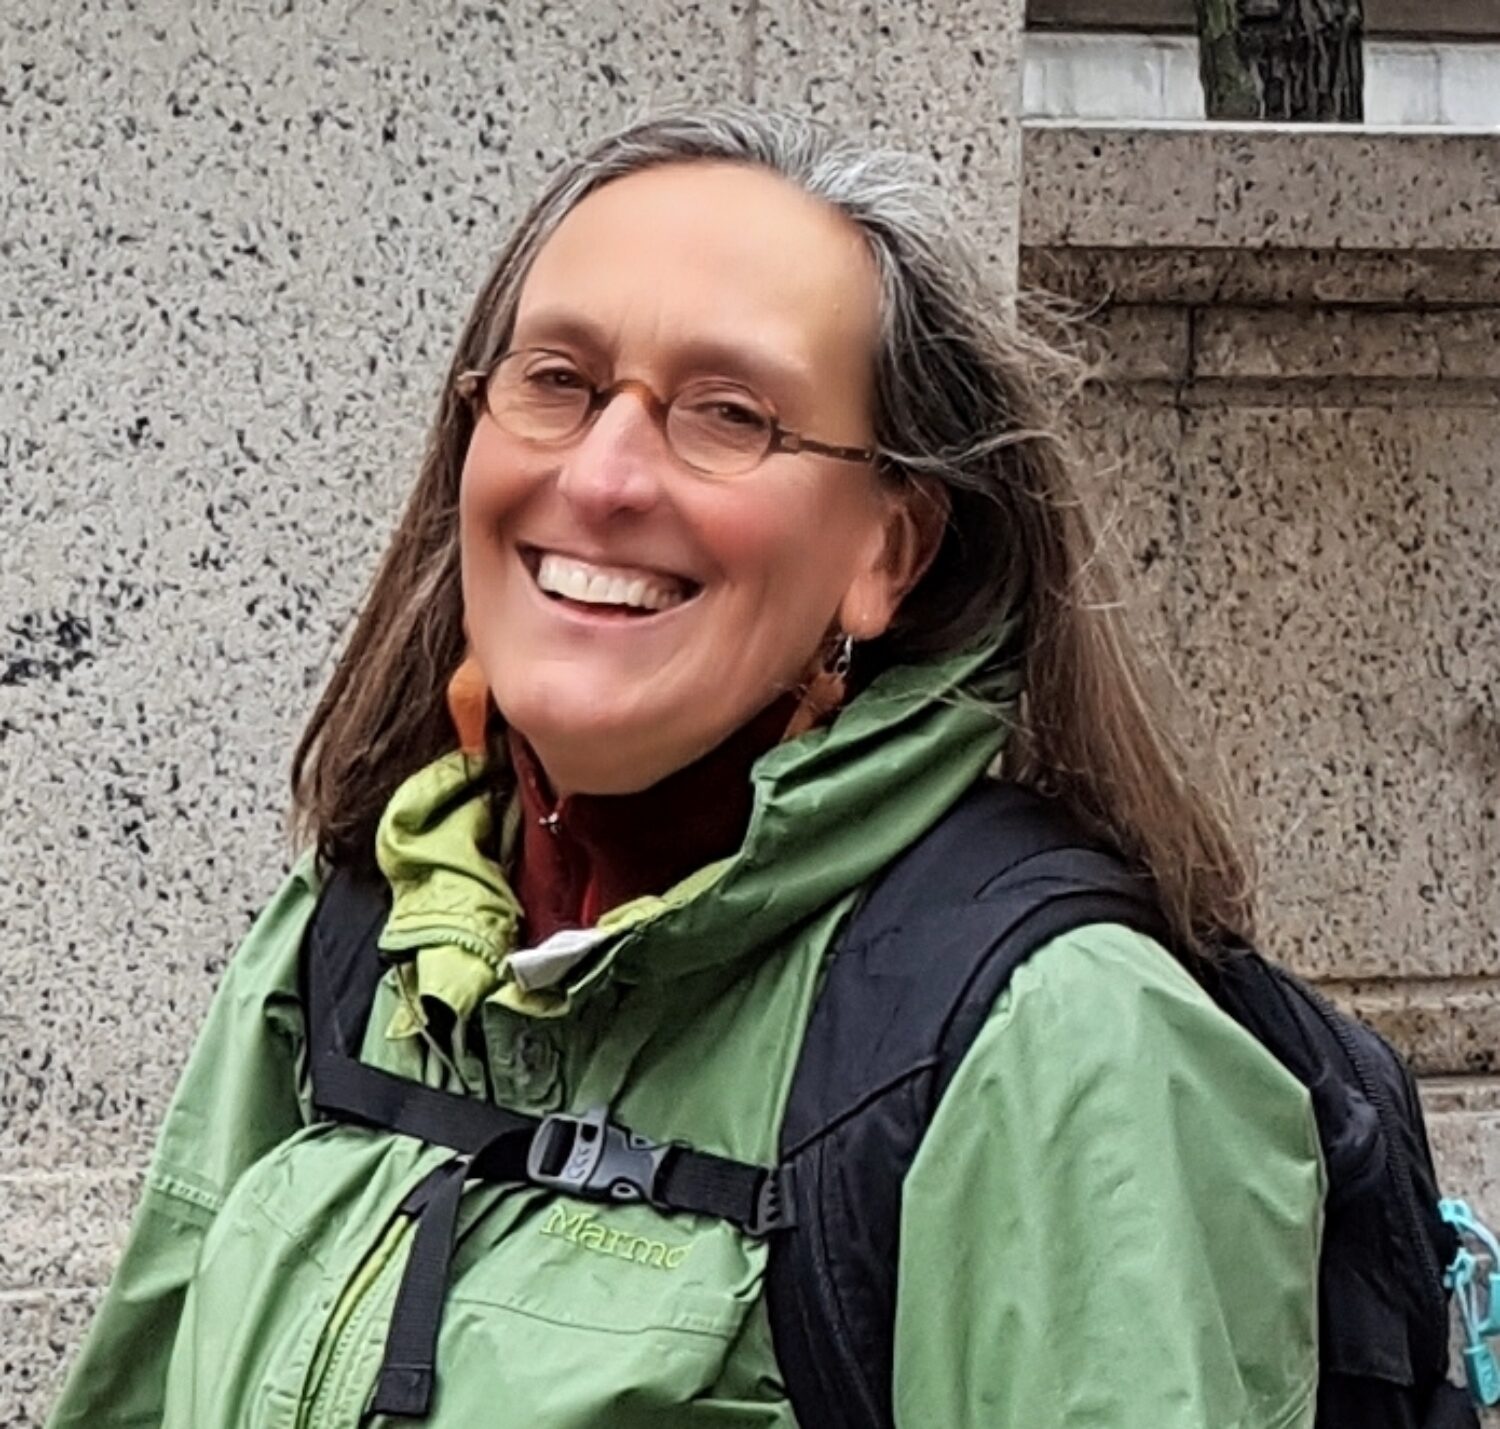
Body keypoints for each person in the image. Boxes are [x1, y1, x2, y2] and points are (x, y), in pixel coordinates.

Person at [47, 106, 1323, 1428]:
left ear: (889, 550)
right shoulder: (358, 931)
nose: (602, 475)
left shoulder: (1051, 1041)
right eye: (557, 382)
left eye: (730, 414)